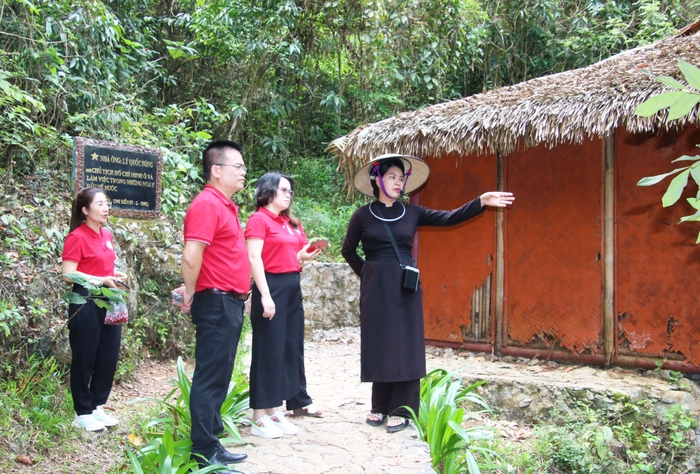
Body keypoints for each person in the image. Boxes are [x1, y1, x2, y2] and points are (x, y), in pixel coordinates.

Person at [341, 154, 514, 433]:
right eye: (392, 177)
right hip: (376, 289)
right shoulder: (362, 215)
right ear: (377, 179)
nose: (398, 183)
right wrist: (368, 273)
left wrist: (480, 201)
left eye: (401, 178)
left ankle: (402, 409)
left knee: (404, 345)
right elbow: (348, 249)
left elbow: (449, 217)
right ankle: (379, 405)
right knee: (381, 342)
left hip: (405, 285)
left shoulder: (412, 212)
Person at [173, 140, 249, 474]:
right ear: (216, 171)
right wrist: (190, 292)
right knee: (209, 378)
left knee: (218, 377)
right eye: (239, 166)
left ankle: (212, 442)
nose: (244, 172)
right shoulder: (207, 204)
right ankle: (202, 454)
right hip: (216, 302)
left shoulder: (225, 205)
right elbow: (191, 256)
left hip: (228, 301)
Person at [245, 172, 323, 439]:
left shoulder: (289, 223)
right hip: (271, 286)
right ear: (268, 191)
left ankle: (274, 409)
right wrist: (264, 295)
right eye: (284, 189)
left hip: (292, 286)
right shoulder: (259, 219)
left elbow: (298, 257)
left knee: (289, 348)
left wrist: (307, 255)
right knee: (268, 350)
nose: (289, 194)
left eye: (291, 190)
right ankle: (258, 415)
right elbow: (254, 257)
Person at [61, 187, 126, 432]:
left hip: (109, 299)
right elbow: (68, 275)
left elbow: (102, 266)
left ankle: (98, 405)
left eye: (106, 203)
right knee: (85, 355)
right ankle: (82, 411)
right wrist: (99, 280)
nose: (105, 207)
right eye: (99, 204)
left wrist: (113, 275)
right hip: (85, 299)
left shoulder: (106, 234)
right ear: (85, 210)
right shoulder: (77, 237)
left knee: (108, 354)